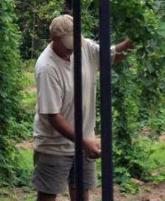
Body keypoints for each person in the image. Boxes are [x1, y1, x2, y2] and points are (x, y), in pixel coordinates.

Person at [32, 14, 133, 201]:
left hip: (82, 143)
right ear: (54, 39)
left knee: (81, 194)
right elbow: (52, 116)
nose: (73, 50)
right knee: (47, 196)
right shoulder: (47, 67)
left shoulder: (83, 47)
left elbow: (112, 55)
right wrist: (84, 142)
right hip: (54, 146)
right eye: (68, 46)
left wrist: (134, 40)